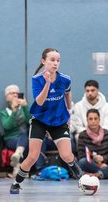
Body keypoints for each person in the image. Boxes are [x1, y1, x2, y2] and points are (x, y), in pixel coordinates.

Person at [10, 48, 82, 194]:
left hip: (59, 121)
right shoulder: (37, 79)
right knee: (32, 156)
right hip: (40, 120)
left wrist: (69, 112)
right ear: (44, 61)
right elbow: (40, 101)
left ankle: (82, 179)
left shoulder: (65, 79)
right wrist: (48, 83)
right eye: (52, 60)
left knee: (67, 155)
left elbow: (68, 94)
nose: (55, 63)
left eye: (58, 60)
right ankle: (16, 183)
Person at [77, 109, 108, 179]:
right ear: (87, 121)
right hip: (92, 165)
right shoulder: (82, 135)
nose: (93, 121)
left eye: (95, 118)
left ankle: (100, 174)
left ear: (99, 120)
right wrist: (98, 164)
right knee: (82, 162)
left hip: (107, 164)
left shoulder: (107, 134)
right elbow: (81, 156)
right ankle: (107, 173)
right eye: (90, 119)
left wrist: (103, 159)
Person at [0, 84, 30, 177]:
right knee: (25, 138)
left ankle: (18, 158)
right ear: (6, 97)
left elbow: (30, 122)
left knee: (25, 134)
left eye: (17, 93)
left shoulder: (24, 108)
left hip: (25, 138)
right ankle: (22, 169)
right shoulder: (4, 112)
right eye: (12, 93)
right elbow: (7, 126)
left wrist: (25, 106)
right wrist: (14, 111)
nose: (15, 95)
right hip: (11, 139)